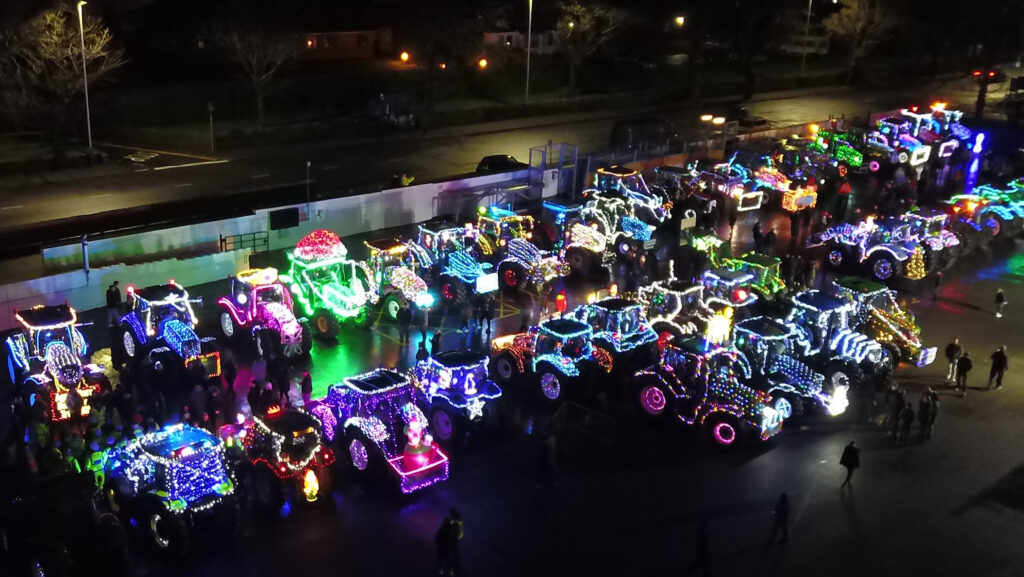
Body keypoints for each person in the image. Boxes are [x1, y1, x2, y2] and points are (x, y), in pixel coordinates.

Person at [436, 508, 464, 576]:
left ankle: (443, 570)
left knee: (444, 556)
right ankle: (450, 571)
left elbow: (442, 530)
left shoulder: (452, 521)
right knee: (450, 556)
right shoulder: (455, 521)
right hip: (450, 541)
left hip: (447, 542)